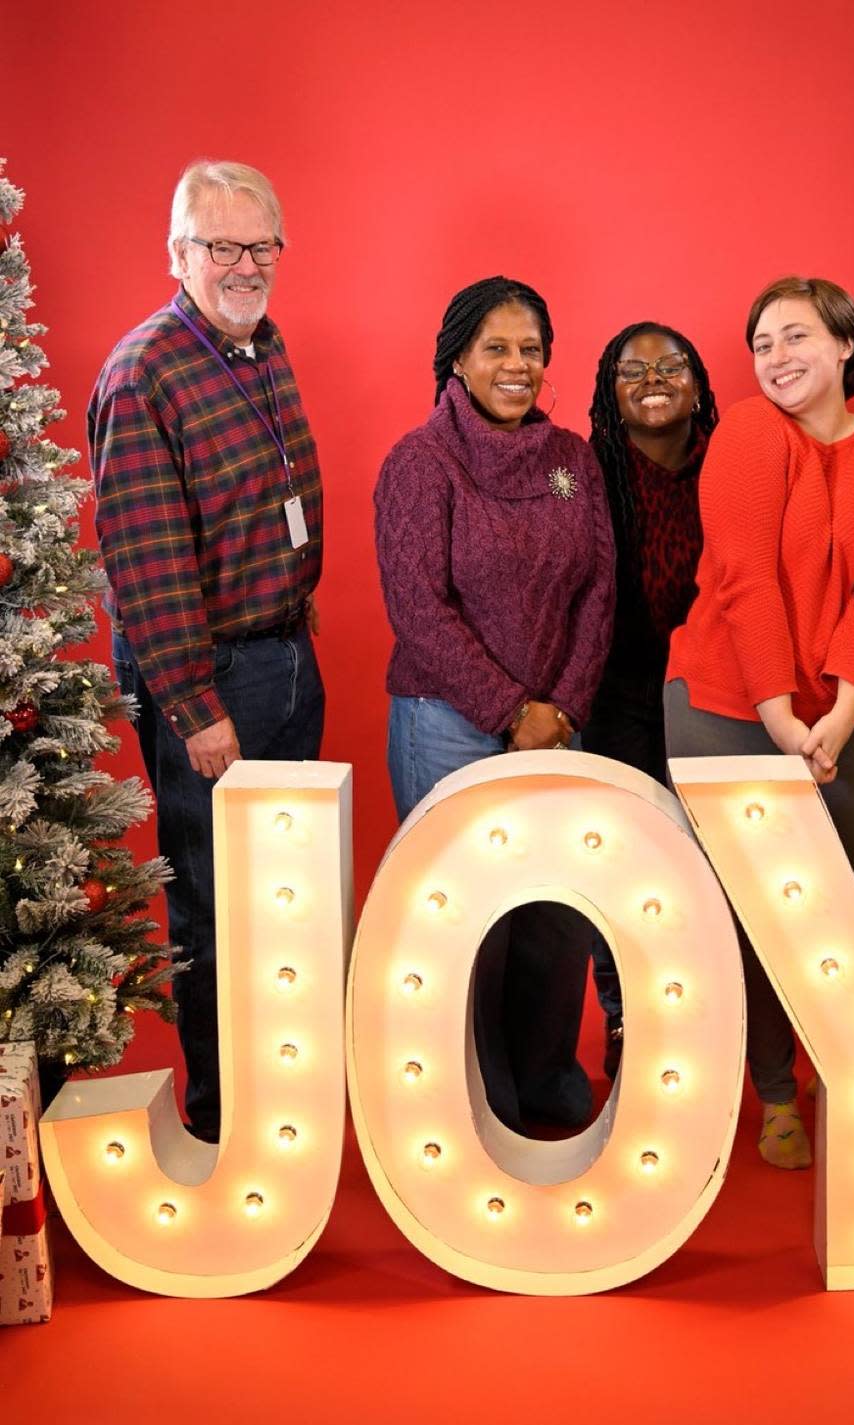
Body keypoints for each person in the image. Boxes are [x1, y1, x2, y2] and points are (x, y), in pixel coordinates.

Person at [665, 276, 854, 1168]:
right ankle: (776, 1088)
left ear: (848, 345)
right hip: (732, 706)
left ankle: (853, 1073)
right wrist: (780, 715)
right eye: (762, 344)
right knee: (753, 912)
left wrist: (846, 705)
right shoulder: (747, 431)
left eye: (796, 337)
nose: (776, 358)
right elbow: (741, 576)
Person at [89, 161, 324, 1143]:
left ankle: (285, 1102)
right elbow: (145, 562)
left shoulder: (259, 348)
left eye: (259, 244)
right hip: (212, 680)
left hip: (283, 656)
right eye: (220, 245)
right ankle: (230, 1123)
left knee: (283, 899)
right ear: (178, 254)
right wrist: (195, 708)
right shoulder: (144, 372)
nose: (242, 264)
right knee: (220, 911)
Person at [374, 276, 614, 1131]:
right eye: (497, 349)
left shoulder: (572, 459)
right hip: (449, 725)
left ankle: (547, 1086)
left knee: (555, 914)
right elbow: (418, 610)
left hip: (561, 724)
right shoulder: (419, 462)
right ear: (458, 360)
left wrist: (563, 707)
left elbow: (598, 591)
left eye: (531, 350)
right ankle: (477, 1105)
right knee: (472, 927)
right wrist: (514, 710)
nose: (518, 366)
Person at [581, 322, 719, 1074]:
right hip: (614, 688)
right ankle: (628, 1015)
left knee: (707, 858)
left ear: (699, 384)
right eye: (632, 369)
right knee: (623, 859)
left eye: (672, 365)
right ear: (610, 390)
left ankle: (701, 1011)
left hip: (712, 689)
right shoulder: (583, 469)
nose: (654, 378)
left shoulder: (733, 463)